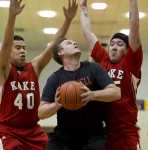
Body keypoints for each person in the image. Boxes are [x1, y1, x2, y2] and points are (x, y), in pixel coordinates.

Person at [38, 2, 121, 150]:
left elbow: (116, 93)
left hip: (94, 135)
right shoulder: (55, 78)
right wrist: (58, 104)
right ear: (60, 53)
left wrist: (92, 95)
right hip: (64, 136)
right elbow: (41, 112)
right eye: (69, 43)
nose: (74, 42)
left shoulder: (93, 68)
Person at [0, 0, 75, 149]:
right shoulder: (4, 69)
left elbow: (54, 44)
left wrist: (67, 21)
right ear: (9, 52)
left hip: (33, 129)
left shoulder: (34, 67)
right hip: (9, 130)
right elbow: (7, 45)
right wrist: (12, 16)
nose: (22, 51)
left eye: (24, 48)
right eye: (18, 48)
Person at [80, 0, 143, 150]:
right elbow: (88, 34)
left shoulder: (131, 63)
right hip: (101, 130)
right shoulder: (103, 60)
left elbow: (134, 28)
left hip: (124, 131)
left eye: (120, 44)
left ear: (128, 50)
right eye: (112, 44)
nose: (114, 47)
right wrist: (83, 8)